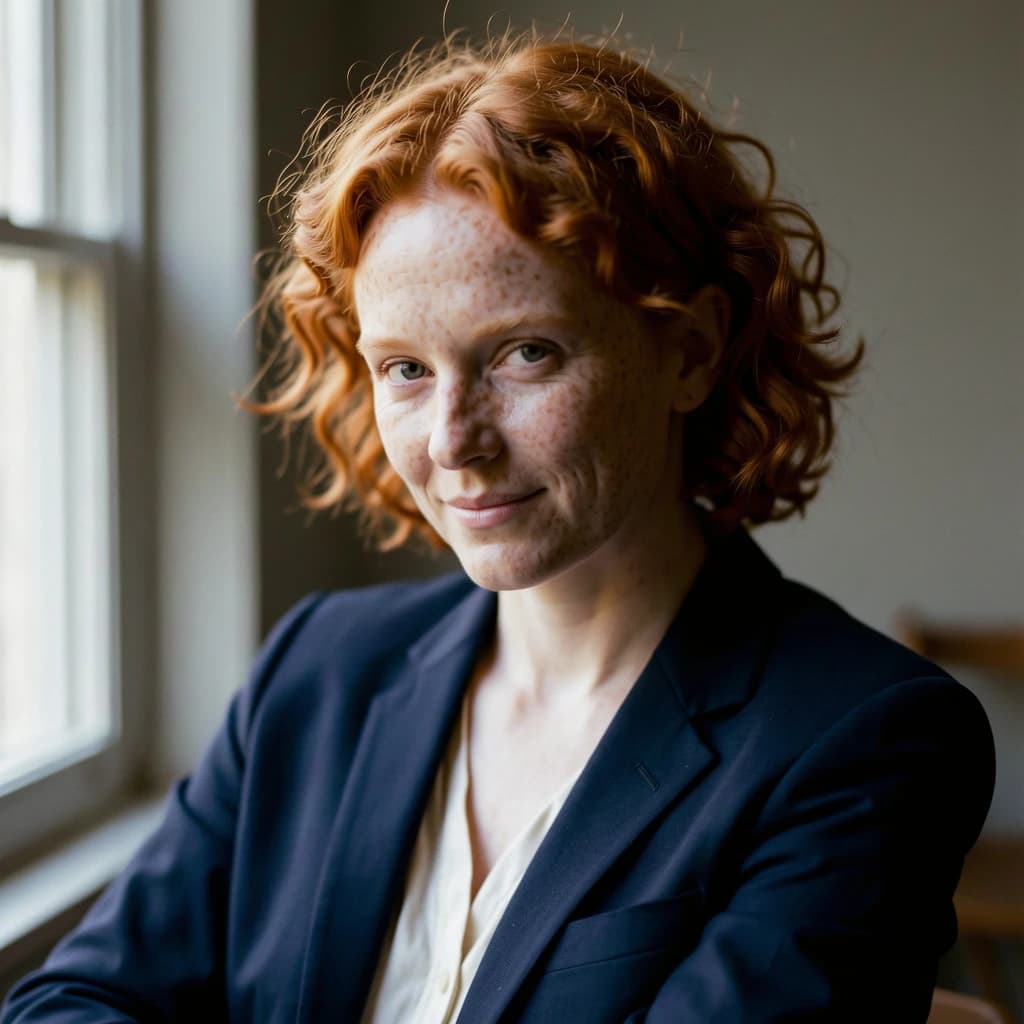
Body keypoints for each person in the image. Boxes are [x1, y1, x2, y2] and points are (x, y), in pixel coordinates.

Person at [3, 31, 994, 1024]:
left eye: (525, 353)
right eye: (404, 369)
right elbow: (72, 1000)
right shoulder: (318, 670)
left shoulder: (862, 739)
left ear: (690, 351)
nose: (453, 441)